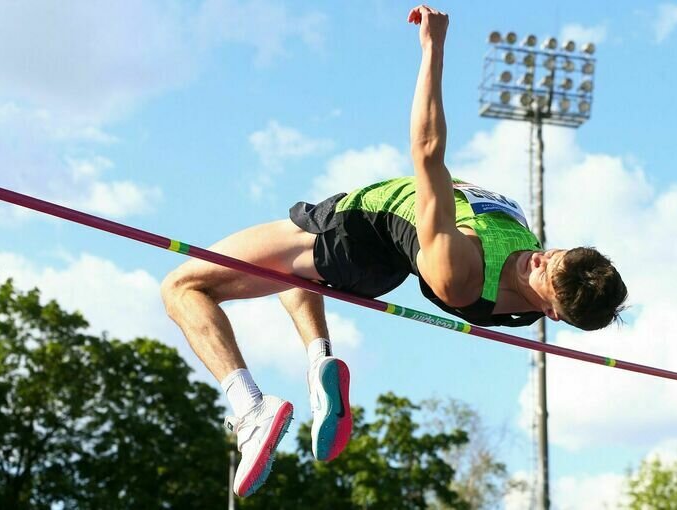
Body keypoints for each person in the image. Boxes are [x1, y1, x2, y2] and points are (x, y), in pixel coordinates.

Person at [160, 4, 627, 498]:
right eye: (553, 254)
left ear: (552, 311)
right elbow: (540, 272)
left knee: (182, 287)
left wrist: (433, 48)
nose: (542, 258)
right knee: (295, 278)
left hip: (357, 228)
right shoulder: (530, 285)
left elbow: (427, 152)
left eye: (547, 274)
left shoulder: (461, 271)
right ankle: (320, 362)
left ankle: (250, 408)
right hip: (383, 268)